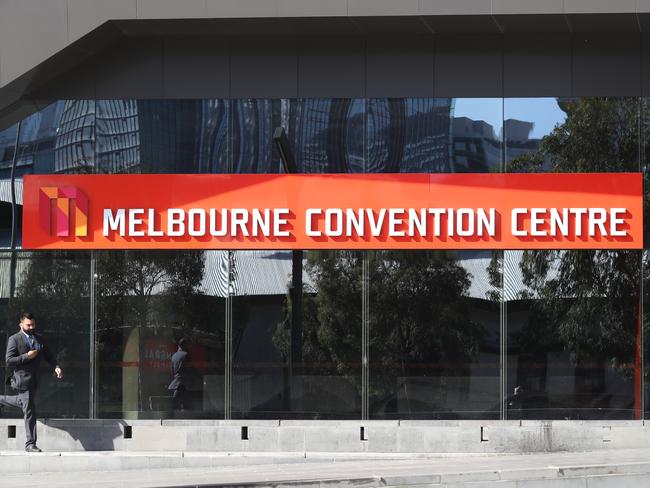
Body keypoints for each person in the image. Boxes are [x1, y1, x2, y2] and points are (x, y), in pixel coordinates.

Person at [0, 312, 63, 452]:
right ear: (21, 324)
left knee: (22, 402)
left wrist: (56, 367)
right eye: (28, 325)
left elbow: (49, 355)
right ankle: (30, 444)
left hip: (34, 380)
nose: (31, 327)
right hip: (21, 380)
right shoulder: (14, 339)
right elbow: (9, 360)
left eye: (33, 324)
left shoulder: (39, 338)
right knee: (30, 411)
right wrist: (26, 356)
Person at [168, 338, 189, 414]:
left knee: (181, 401)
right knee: (183, 402)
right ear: (185, 345)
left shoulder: (173, 356)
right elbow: (189, 369)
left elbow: (171, 371)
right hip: (182, 382)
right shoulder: (185, 355)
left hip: (176, 382)